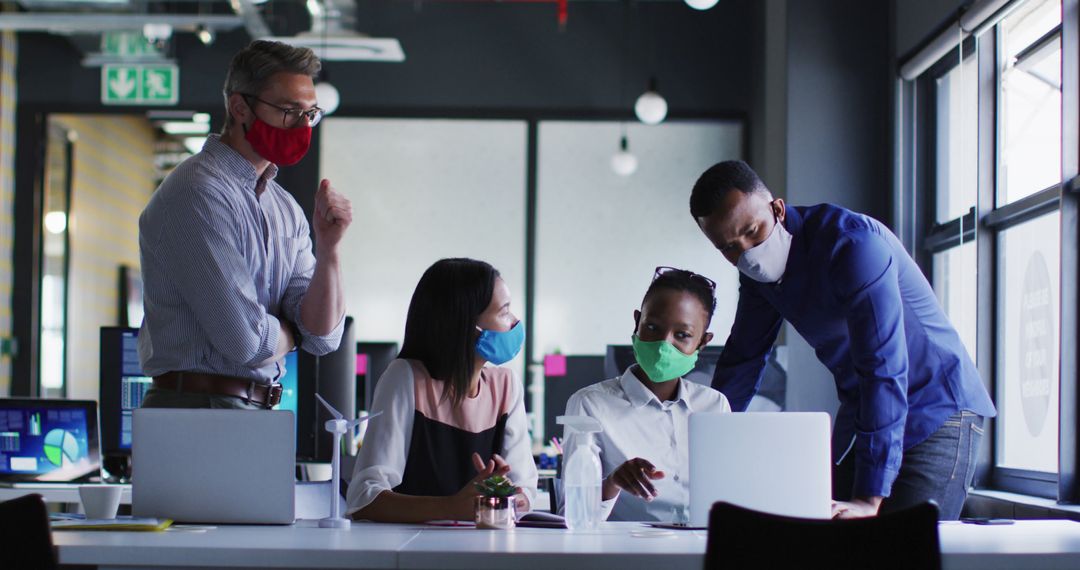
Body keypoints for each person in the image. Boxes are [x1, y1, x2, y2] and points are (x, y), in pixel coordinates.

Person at [690, 160, 996, 520]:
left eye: (752, 231)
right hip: (866, 410)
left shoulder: (853, 245)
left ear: (777, 209)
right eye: (728, 247)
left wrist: (869, 498)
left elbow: (883, 367)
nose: (746, 252)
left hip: (937, 407)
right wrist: (704, 448)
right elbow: (743, 360)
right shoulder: (757, 276)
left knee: (906, 546)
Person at [138, 40, 352, 410]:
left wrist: (329, 248)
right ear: (240, 107)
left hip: (257, 408)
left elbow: (322, 337)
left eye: (310, 113)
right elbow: (246, 342)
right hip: (195, 407)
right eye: (288, 111)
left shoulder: (284, 207)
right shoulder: (198, 192)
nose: (302, 125)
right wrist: (292, 329)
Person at [347, 258, 538, 522]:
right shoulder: (406, 378)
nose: (515, 322)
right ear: (466, 325)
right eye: (504, 312)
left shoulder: (506, 386)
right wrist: (453, 507)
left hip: (486, 548)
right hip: (412, 551)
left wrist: (510, 497)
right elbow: (364, 498)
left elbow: (524, 488)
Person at [563, 267, 731, 522]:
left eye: (682, 335)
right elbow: (571, 515)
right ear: (637, 322)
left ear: (703, 342)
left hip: (704, 549)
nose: (664, 344)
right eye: (652, 327)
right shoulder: (590, 404)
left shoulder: (714, 405)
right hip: (629, 554)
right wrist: (613, 483)